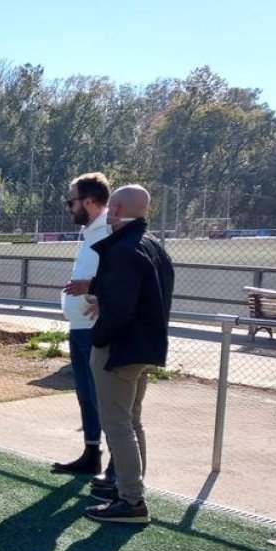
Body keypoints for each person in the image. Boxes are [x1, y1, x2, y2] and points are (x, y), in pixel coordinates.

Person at [76, 185, 174, 524]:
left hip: (122, 349)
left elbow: (121, 307)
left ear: (116, 209)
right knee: (131, 421)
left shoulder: (125, 249)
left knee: (117, 424)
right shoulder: (153, 246)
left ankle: (131, 498)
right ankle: (128, 487)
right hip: (145, 347)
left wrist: (100, 337)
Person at [52, 173, 111, 476]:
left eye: (71, 201)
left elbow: (122, 276)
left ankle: (117, 464)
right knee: (85, 394)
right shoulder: (89, 233)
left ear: (88, 201)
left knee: (102, 396)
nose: (68, 207)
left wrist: (95, 289)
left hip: (94, 329)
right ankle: (91, 451)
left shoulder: (110, 231)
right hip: (78, 326)